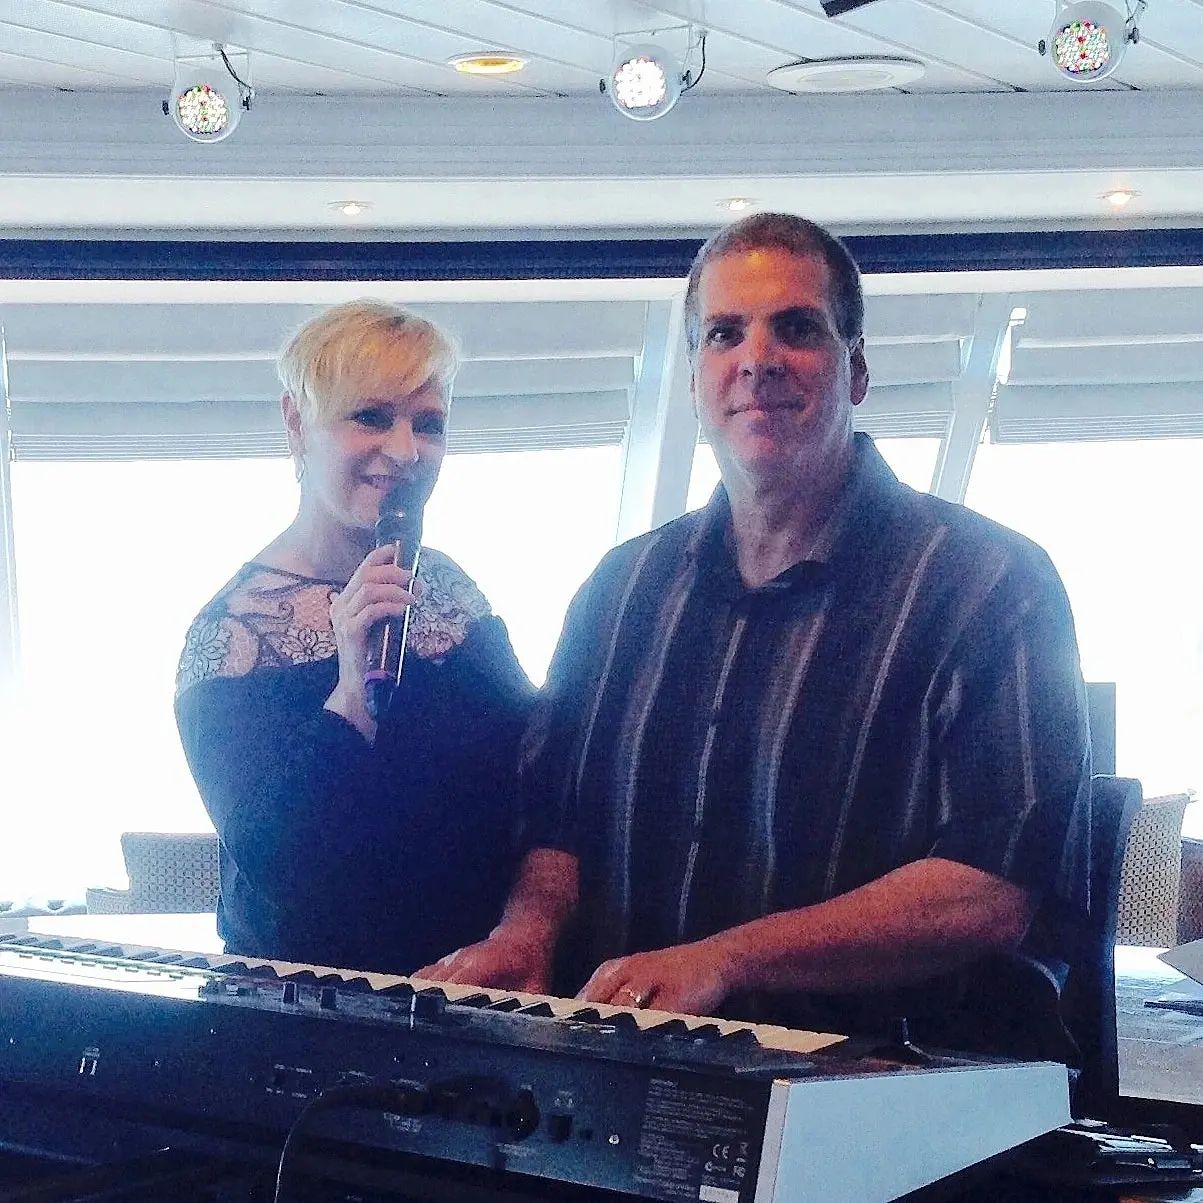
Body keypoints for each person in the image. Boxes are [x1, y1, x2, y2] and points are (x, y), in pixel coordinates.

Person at [420, 213, 1091, 1061]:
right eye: (724, 333)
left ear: (856, 369)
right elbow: (557, 824)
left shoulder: (990, 584)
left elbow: (988, 891)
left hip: (893, 1079)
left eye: (797, 329)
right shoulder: (618, 590)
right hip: (635, 1067)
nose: (757, 358)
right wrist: (528, 932)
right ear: (694, 377)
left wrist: (726, 958)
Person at [175, 301, 532, 975]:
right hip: (314, 1005)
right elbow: (285, 871)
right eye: (370, 416)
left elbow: (537, 769)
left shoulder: (452, 588)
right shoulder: (229, 637)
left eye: (428, 424)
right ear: (296, 424)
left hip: (479, 988)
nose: (405, 451)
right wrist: (350, 692)